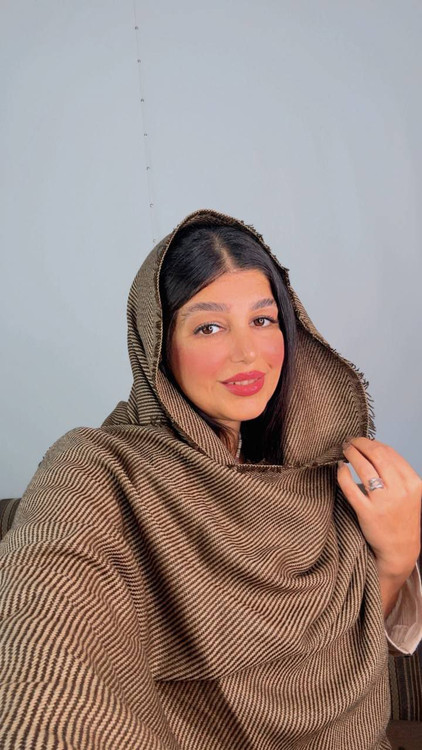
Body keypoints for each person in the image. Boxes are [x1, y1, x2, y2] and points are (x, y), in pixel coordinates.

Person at [0, 207, 421, 749]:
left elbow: (341, 655)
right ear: (158, 344)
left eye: (263, 320)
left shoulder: (320, 474)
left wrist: (397, 556)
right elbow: (45, 623)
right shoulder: (99, 471)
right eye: (209, 327)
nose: (248, 353)